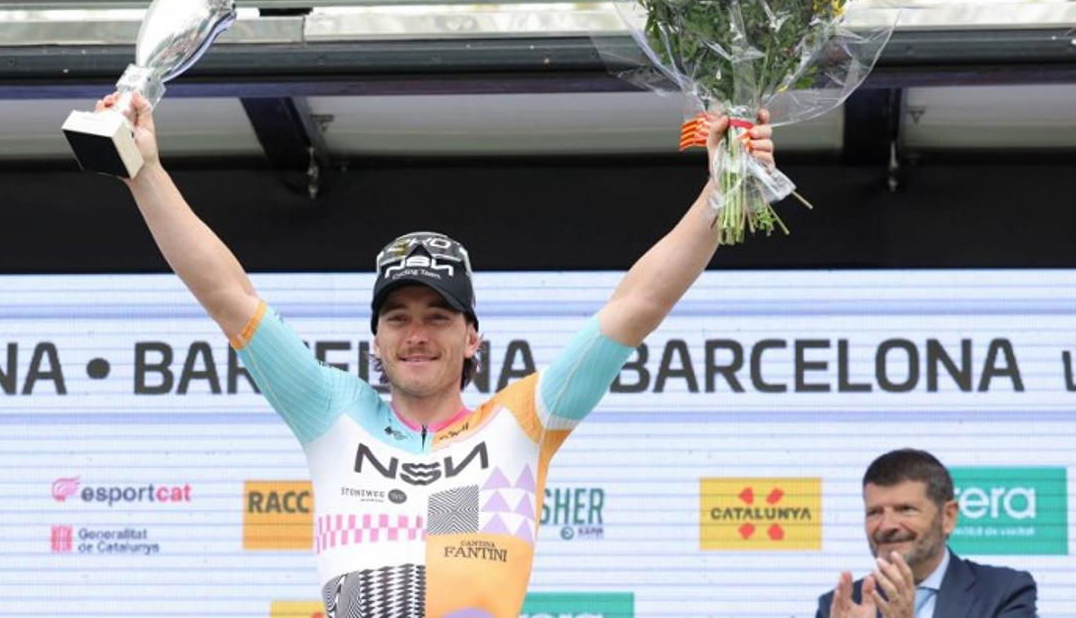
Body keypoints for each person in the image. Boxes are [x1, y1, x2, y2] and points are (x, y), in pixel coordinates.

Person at [100, 92, 775, 617]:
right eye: (398, 317)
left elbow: (638, 305)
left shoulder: (522, 421)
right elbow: (225, 293)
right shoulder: (327, 408)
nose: (416, 333)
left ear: (472, 337)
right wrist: (143, 170)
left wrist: (725, 190)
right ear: (376, 340)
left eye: (438, 316)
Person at [817, 448, 1037, 618]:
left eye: (906, 509)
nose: (886, 525)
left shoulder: (1003, 592)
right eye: (874, 512)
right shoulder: (840, 605)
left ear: (948, 517)